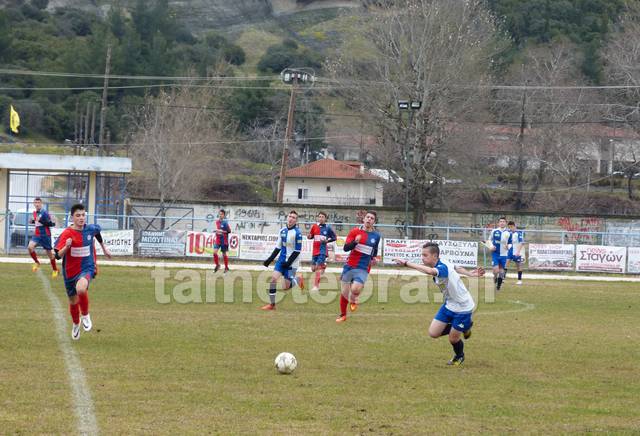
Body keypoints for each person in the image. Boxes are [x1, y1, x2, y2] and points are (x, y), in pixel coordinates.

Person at [394, 242, 484, 366]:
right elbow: (456, 267)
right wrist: (470, 273)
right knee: (433, 333)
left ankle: (459, 356)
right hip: (449, 304)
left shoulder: (442, 268)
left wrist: (406, 263)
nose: (422, 258)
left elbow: (431, 271)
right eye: (422, 255)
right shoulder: (443, 262)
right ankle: (464, 326)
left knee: (453, 338)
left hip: (463, 307)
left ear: (435, 256)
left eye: (425, 255)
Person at [54, 204, 111, 340]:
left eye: (83, 215)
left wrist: (104, 248)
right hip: (69, 272)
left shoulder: (90, 229)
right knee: (73, 302)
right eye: (78, 215)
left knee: (81, 289)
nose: (81, 218)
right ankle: (75, 324)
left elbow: (97, 233)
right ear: (72, 217)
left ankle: (85, 315)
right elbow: (57, 256)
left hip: (87, 268)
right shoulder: (67, 233)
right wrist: (67, 247)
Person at [336, 210, 380, 323]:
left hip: (363, 267)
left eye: (372, 218)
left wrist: (373, 258)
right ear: (364, 219)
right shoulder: (355, 231)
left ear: (374, 222)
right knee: (344, 292)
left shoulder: (376, 236)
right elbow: (346, 248)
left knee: (355, 289)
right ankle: (343, 315)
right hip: (350, 265)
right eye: (368, 217)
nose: (369, 219)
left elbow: (374, 251)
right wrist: (355, 242)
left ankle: (354, 299)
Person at [261, 210, 305, 310]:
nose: (291, 218)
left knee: (285, 287)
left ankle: (298, 279)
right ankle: (272, 305)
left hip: (292, 263)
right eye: (290, 216)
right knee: (273, 280)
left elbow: (297, 251)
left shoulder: (297, 233)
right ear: (287, 217)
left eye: (294, 217)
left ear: (296, 221)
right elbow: (278, 247)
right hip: (281, 260)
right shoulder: (282, 231)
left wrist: (288, 262)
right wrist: (269, 260)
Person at [27, 197, 59, 278]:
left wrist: (40, 220)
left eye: (38, 202)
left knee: (50, 255)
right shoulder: (34, 213)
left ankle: (55, 270)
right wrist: (33, 221)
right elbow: (36, 221)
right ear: (34, 204)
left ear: (41, 204)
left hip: (45, 235)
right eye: (35, 202)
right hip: (37, 234)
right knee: (30, 247)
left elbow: (51, 224)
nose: (37, 204)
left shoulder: (44, 213)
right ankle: (37, 262)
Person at [308, 211, 337, 292]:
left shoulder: (328, 228)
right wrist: (309, 236)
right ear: (317, 218)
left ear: (325, 219)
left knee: (317, 268)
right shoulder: (314, 226)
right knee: (313, 269)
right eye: (319, 216)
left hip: (322, 251)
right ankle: (324, 265)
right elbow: (311, 236)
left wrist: (327, 241)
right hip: (315, 251)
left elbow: (334, 237)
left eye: (322, 217)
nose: (321, 218)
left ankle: (316, 286)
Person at [490, 216, 510, 291]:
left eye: (503, 221)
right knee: (496, 270)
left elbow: (511, 243)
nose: (502, 223)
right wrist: (491, 246)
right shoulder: (494, 231)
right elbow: (489, 240)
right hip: (495, 254)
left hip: (504, 255)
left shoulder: (508, 233)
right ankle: (495, 278)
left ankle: (498, 286)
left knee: (501, 272)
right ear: (498, 223)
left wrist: (509, 246)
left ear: (506, 223)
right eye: (500, 221)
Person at [506, 221, 525, 285]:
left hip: (516, 252)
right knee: (506, 263)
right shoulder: (509, 233)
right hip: (510, 251)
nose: (510, 228)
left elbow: (521, 243)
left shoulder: (518, 233)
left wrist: (518, 252)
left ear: (514, 226)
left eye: (511, 227)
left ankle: (519, 280)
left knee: (518, 265)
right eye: (509, 227)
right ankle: (502, 278)